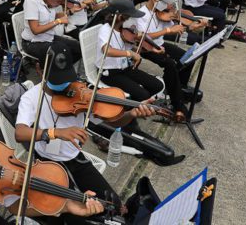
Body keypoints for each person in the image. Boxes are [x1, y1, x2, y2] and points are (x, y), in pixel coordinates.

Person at [15, 40, 156, 224]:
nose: (65, 86)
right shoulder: (31, 98)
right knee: (73, 215)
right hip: (47, 163)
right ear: (39, 69)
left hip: (76, 158)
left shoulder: (81, 93)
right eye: (58, 80)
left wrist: (131, 113)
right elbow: (20, 133)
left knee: (113, 204)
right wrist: (55, 132)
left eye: (67, 78)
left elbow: (113, 121)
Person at [134, 0, 198, 121]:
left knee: (187, 57)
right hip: (147, 48)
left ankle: (178, 88)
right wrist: (168, 30)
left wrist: (191, 26)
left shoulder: (161, 13)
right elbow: (144, 36)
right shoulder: (141, 14)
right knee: (170, 65)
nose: (168, 6)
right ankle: (177, 103)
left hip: (160, 44)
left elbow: (176, 27)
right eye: (163, 2)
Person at [94, 0, 164, 104]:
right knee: (143, 94)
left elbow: (129, 48)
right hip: (109, 73)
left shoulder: (123, 30)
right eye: (129, 17)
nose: (131, 20)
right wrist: (130, 54)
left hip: (125, 68)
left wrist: (149, 49)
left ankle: (138, 103)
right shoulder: (105, 29)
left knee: (157, 85)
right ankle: (130, 108)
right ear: (119, 16)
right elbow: (107, 50)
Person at [21, 0, 81, 66]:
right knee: (61, 51)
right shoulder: (31, 0)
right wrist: (58, 21)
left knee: (77, 47)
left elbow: (50, 16)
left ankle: (62, 69)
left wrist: (70, 11)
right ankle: (51, 72)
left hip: (48, 37)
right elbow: (35, 30)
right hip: (32, 42)